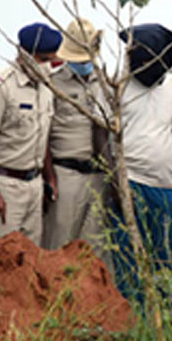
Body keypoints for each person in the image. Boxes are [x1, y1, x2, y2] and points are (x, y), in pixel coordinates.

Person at [110, 23, 172, 301]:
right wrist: (115, 182)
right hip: (131, 181)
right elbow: (103, 135)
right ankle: (136, 326)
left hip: (168, 184)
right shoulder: (117, 86)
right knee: (130, 265)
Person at [0, 22, 62, 245]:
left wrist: (49, 176)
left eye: (52, 60)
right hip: (5, 183)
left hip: (34, 183)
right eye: (44, 59)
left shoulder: (45, 88)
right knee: (2, 257)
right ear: (26, 55)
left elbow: (42, 136)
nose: (48, 66)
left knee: (31, 259)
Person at [43, 18, 108, 260]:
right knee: (59, 247)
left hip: (98, 176)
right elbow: (44, 136)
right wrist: (49, 177)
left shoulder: (105, 82)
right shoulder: (53, 83)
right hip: (66, 174)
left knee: (96, 252)